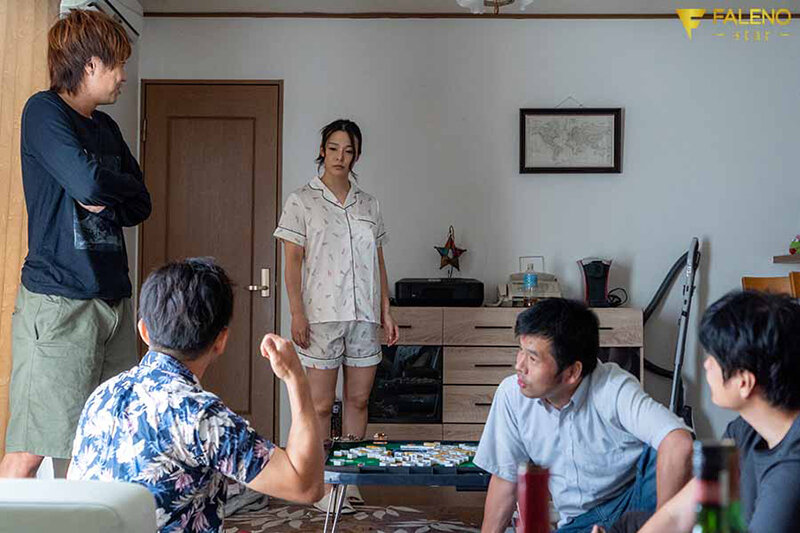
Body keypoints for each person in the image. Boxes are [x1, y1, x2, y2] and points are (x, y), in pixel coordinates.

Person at [0, 9, 151, 478]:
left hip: (114, 305)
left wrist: (103, 194)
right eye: (117, 64)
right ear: (90, 65)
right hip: (60, 304)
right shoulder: (43, 112)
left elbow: (141, 202)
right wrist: (103, 187)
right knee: (30, 450)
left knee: (100, 451)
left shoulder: (107, 129)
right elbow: (87, 184)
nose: (123, 76)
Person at [68, 258, 324, 532]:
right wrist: (296, 379)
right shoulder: (200, 415)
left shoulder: (104, 394)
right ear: (221, 341)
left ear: (144, 331)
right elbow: (306, 486)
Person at [474, 298, 694, 533]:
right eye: (521, 351)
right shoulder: (511, 395)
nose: (519, 366)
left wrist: (660, 527)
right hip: (579, 523)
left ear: (572, 372)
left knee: (674, 453)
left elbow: (679, 443)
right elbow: (506, 479)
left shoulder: (613, 387)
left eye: (532, 358)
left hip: (634, 501)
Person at [273, 119, 399, 510]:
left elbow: (378, 261)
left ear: (356, 156)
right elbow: (292, 263)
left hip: (364, 317)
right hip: (322, 315)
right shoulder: (301, 201)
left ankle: (351, 483)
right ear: (322, 151)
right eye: (333, 148)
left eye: (348, 150)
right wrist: (297, 313)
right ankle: (321, 485)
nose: (340, 157)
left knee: (358, 401)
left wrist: (386, 310)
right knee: (321, 406)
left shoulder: (369, 204)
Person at [639, 291, 800, 533]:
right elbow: (677, 514)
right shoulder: (744, 430)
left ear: (744, 382)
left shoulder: (791, 472)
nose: (707, 365)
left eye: (714, 358)